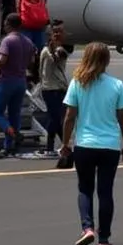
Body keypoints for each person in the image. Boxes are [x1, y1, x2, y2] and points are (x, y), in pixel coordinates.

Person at [61, 42, 123, 245]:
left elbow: (69, 116)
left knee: (85, 188)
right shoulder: (117, 85)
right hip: (109, 146)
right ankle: (104, 239)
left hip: (84, 144)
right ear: (106, 60)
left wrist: (65, 143)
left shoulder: (77, 83)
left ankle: (87, 228)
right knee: (105, 192)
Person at [0, 14, 36, 159]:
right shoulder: (27, 41)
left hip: (6, 81)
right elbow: (32, 59)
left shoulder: (8, 40)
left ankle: (12, 133)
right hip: (20, 81)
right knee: (14, 113)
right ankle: (9, 146)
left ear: (8, 24)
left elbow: (2, 59)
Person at [39, 22, 69, 156]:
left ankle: (52, 146)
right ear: (50, 34)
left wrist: (52, 49)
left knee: (54, 118)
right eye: (54, 32)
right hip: (49, 88)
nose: (57, 34)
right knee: (55, 118)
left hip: (59, 88)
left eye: (60, 32)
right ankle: (63, 145)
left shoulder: (62, 50)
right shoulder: (45, 50)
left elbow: (57, 59)